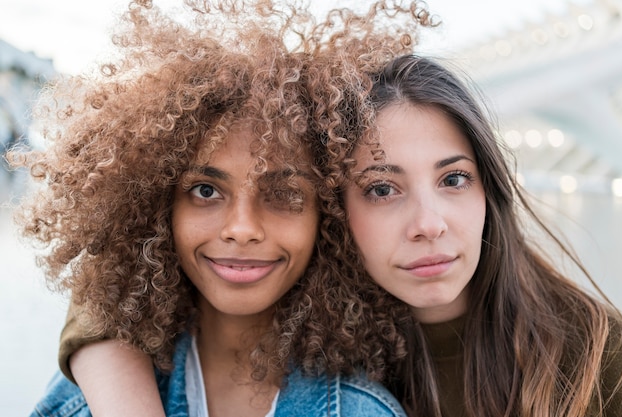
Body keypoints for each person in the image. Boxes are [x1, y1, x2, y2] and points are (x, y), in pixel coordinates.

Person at [8, 1, 435, 416]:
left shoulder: (361, 410)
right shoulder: (79, 402)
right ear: (156, 210)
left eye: (284, 194)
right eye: (206, 191)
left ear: (329, 220)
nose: (242, 228)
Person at [331, 54, 622, 417]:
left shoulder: (599, 354)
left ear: (488, 188)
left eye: (453, 180)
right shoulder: (307, 378)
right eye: (381, 189)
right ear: (336, 209)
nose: (428, 224)